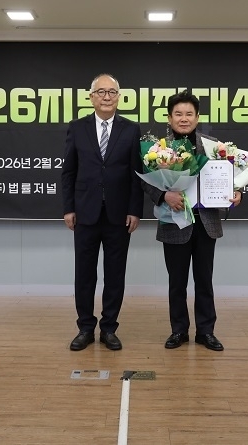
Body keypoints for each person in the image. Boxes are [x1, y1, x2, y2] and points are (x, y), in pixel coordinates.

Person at [142, 90, 242, 351]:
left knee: (204, 280)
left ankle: (206, 332)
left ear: (197, 118)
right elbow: (146, 182)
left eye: (189, 114)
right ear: (169, 118)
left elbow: (228, 176)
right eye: (178, 114)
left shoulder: (213, 146)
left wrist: (235, 191)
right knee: (176, 282)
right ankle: (179, 331)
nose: (183, 119)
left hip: (205, 222)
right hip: (174, 220)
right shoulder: (157, 149)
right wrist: (164, 195)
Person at [61, 74, 144, 351]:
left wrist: (134, 210)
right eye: (101, 92)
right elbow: (69, 172)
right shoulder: (77, 128)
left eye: (112, 92)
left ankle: (109, 328)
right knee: (84, 274)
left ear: (119, 97)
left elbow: (136, 174)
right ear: (91, 97)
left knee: (115, 275)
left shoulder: (131, 130)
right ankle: (85, 328)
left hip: (119, 215)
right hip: (85, 213)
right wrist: (69, 208)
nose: (107, 97)